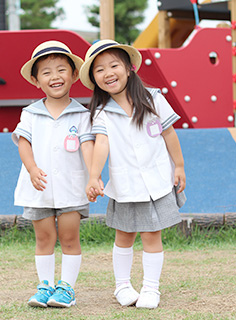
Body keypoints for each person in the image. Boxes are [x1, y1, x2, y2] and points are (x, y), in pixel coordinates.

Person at [79, 40, 186, 309]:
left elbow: (169, 133)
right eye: (99, 70)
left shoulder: (153, 99)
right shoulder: (102, 113)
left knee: (152, 235)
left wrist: (179, 166)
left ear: (129, 68)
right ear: (94, 79)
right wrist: (94, 176)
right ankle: (123, 286)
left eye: (114, 65)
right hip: (125, 184)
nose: (108, 73)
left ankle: (151, 288)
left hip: (157, 181)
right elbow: (101, 144)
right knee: (124, 234)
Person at [12, 41, 95, 308]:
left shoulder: (82, 115)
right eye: (46, 72)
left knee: (70, 237)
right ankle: (45, 286)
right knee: (44, 238)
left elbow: (87, 146)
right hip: (38, 187)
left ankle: (67, 289)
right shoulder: (30, 113)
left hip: (72, 187)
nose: (55, 77)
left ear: (73, 75)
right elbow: (23, 143)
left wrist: (94, 175)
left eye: (61, 70)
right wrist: (32, 169)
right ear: (36, 80)